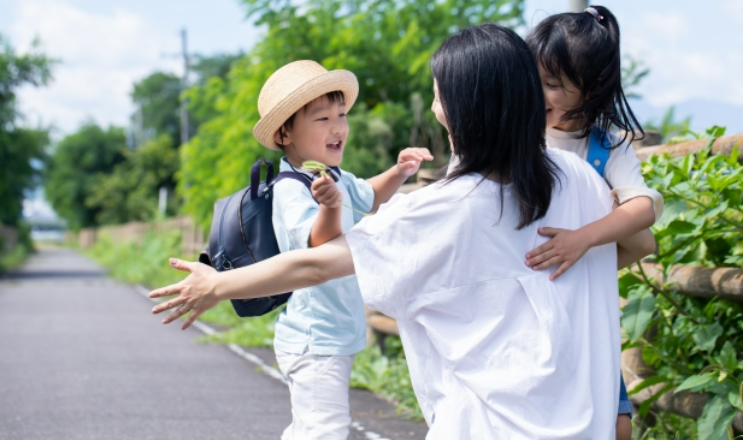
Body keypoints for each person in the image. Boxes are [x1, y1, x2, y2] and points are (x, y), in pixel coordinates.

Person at [151, 24, 622, 439]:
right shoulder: (577, 176)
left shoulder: (447, 208)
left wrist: (217, 284)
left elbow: (318, 262)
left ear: (457, 109)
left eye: (438, 93)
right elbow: (640, 240)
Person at [251, 59, 433, 440]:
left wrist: (399, 172)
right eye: (322, 119)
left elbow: (369, 196)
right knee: (325, 431)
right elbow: (318, 245)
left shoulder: (331, 175)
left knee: (311, 428)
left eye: (342, 114)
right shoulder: (291, 187)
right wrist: (330, 207)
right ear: (285, 134)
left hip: (332, 333)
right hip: (315, 337)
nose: (338, 127)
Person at [524, 5, 664, 439]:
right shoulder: (518, 134)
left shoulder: (607, 145)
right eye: (535, 80)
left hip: (585, 315)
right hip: (528, 308)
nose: (539, 94)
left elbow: (643, 209)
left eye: (553, 85)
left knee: (616, 425)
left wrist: (583, 243)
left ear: (591, 89)